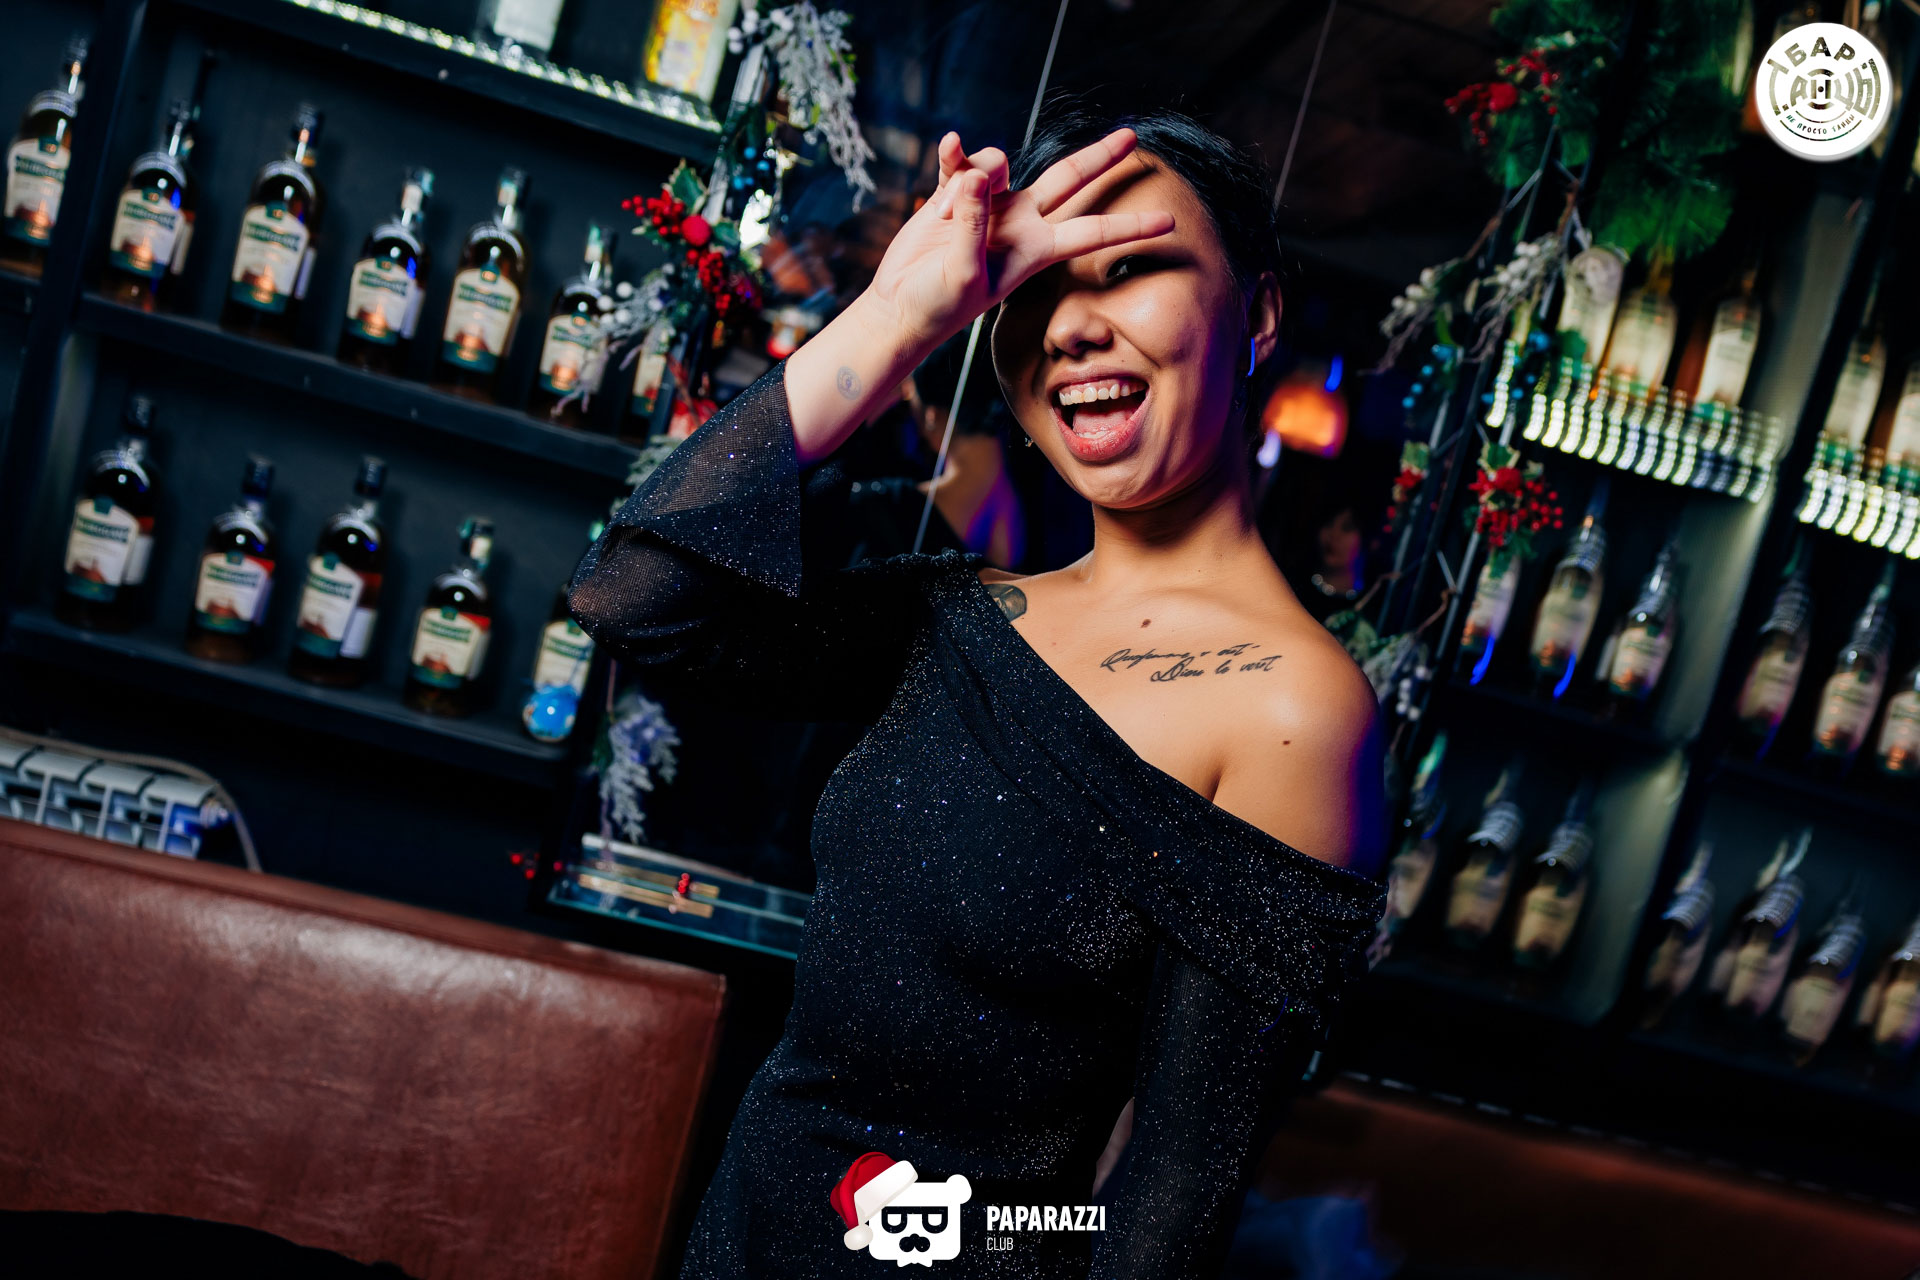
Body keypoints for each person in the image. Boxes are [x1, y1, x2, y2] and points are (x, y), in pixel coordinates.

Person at [568, 106, 1389, 1279]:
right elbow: (637, 598)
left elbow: (1163, 1210)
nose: (1074, 326)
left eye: (1132, 266)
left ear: (1256, 314)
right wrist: (902, 314)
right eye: (1032, 288)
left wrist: (946, 1232)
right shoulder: (958, 614)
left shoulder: (1292, 708)